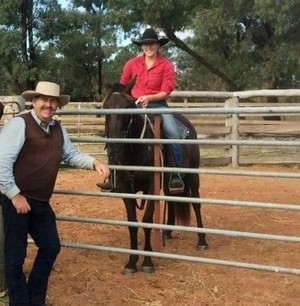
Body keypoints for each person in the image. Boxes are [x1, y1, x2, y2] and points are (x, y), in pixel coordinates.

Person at [0, 81, 110, 306]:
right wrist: (14, 195)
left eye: (53, 101)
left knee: (51, 246)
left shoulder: (58, 128)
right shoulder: (20, 124)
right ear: (34, 101)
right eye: (44, 100)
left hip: (40, 201)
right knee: (15, 256)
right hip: (17, 198)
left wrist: (94, 162)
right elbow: (1, 162)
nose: (48, 105)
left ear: (57, 105)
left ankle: (35, 299)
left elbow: (70, 154)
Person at [98, 27, 184, 193]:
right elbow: (123, 87)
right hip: (135, 105)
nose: (148, 47)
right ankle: (113, 175)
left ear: (158, 45)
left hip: (158, 105)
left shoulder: (166, 65)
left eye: (152, 44)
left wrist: (150, 98)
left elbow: (166, 91)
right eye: (145, 45)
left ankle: (175, 175)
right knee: (114, 130)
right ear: (141, 47)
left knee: (174, 133)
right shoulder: (132, 63)